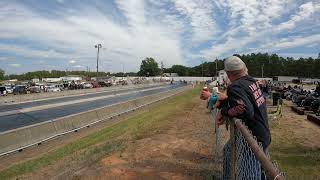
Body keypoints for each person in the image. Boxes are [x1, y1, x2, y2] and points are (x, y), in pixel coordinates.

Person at [215, 56, 271, 180]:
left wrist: (224, 112)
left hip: (253, 140)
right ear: (244, 68)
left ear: (229, 74)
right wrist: (225, 102)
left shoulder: (235, 87)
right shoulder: (252, 81)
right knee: (228, 151)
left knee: (251, 174)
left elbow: (244, 110)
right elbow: (246, 101)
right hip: (263, 133)